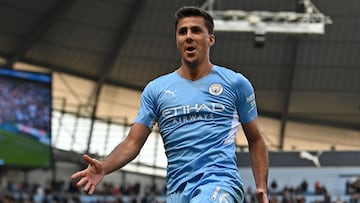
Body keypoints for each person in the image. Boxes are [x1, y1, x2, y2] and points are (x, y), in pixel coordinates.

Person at [71, 6, 269, 203]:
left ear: (211, 39)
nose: (188, 36)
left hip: (220, 182)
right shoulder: (156, 90)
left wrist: (261, 186)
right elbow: (133, 142)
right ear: (177, 40)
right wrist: (104, 166)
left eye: (196, 30)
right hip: (177, 190)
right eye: (182, 32)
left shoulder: (235, 84)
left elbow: (256, 140)